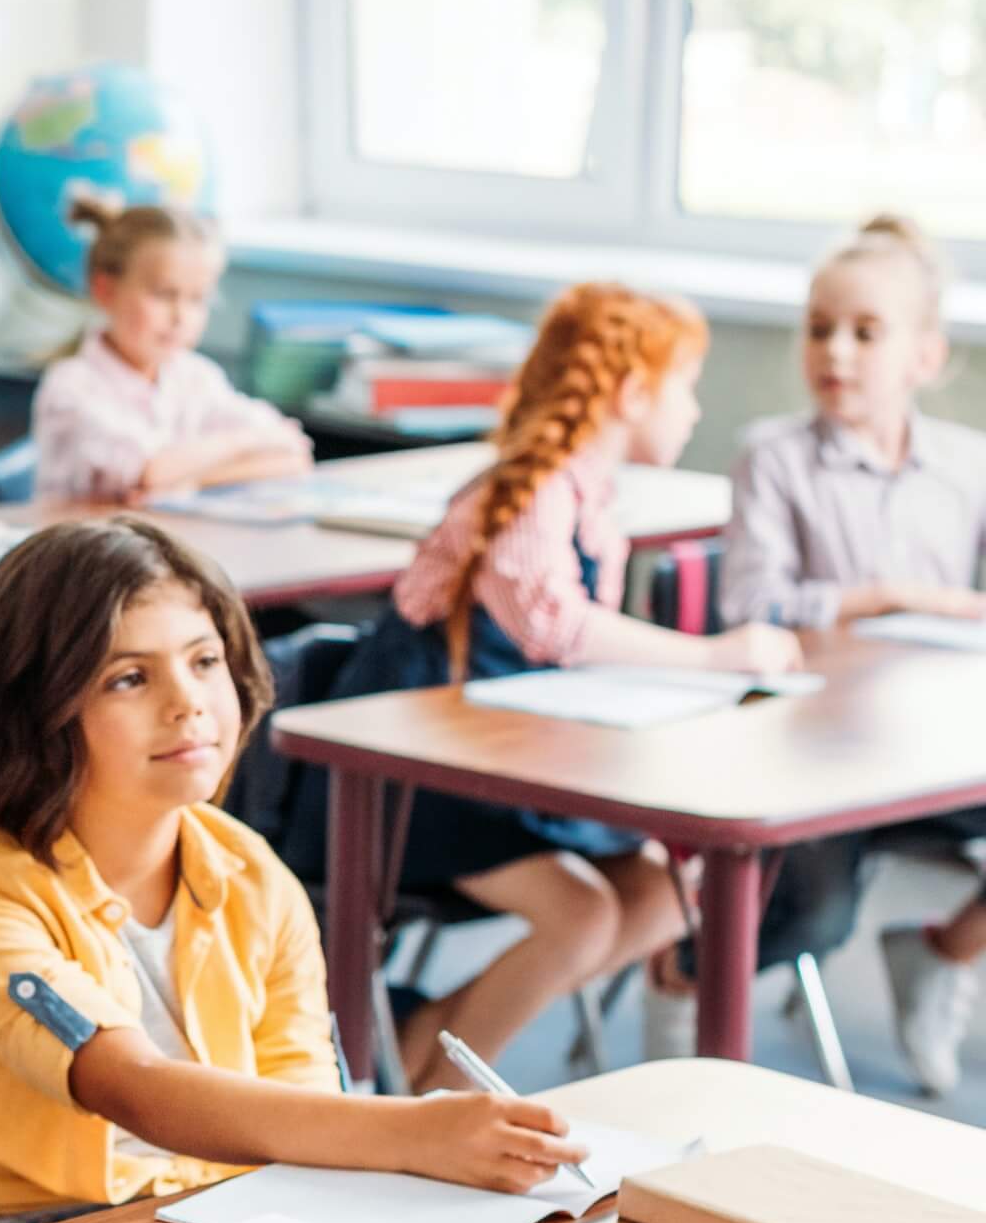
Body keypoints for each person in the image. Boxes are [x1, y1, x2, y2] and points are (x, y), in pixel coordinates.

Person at [0, 516, 587, 1223]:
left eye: (204, 662)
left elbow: (304, 1107)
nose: (187, 702)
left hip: (231, 1208)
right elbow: (131, 1086)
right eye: (130, 678)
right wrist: (417, 1131)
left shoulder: (252, 875)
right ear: (36, 712)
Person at [317, 284, 802, 1088]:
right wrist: (719, 658)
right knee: (582, 915)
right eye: (685, 385)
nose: (692, 408)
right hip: (427, 781)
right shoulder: (531, 491)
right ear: (632, 393)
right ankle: (442, 1083)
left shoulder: (591, 497)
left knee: (656, 894)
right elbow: (556, 629)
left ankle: (431, 1042)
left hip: (523, 768)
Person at [721, 214, 986, 1093]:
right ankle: (680, 986)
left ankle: (942, 956)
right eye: (819, 327)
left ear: (923, 355)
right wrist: (892, 596)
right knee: (808, 917)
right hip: (815, 756)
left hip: (939, 749)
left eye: (865, 333)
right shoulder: (775, 457)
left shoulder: (966, 467)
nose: (835, 350)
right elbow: (751, 607)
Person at [31, 196, 312, 503]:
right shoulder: (72, 387)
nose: (180, 317)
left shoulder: (194, 377)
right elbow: (149, 471)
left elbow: (293, 455)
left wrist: (190, 479)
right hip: (82, 550)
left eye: (196, 299)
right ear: (105, 289)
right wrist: (244, 445)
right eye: (164, 295)